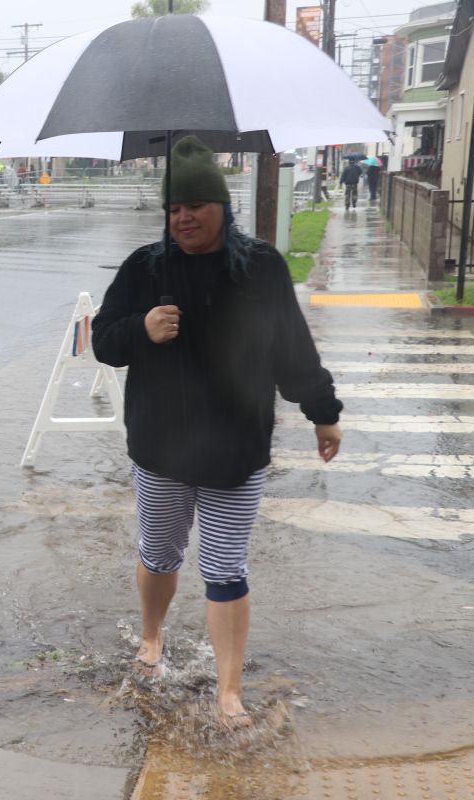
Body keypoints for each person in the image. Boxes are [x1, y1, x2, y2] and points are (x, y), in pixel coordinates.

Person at [91, 136, 342, 730]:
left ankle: (230, 692)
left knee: (226, 568)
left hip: (236, 448)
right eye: (174, 208)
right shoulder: (144, 269)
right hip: (160, 448)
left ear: (223, 208)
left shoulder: (261, 268)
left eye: (196, 205)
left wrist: (322, 411)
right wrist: (141, 327)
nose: (183, 217)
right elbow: (100, 340)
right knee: (159, 554)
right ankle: (152, 638)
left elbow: (292, 350)